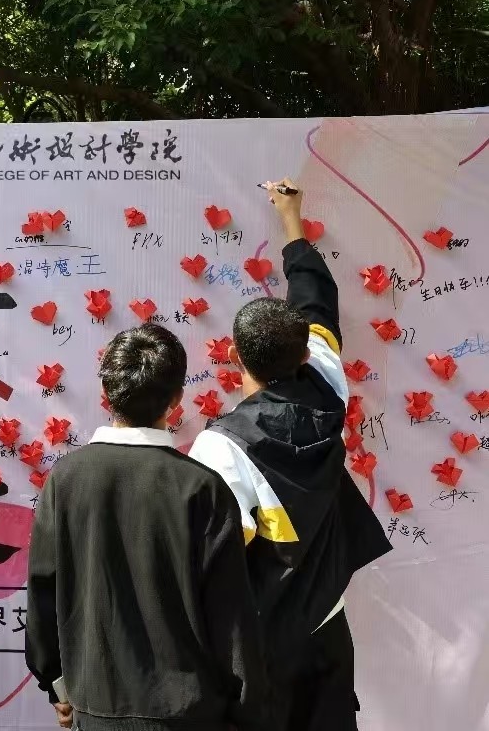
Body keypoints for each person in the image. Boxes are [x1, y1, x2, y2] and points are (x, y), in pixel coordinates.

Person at [188, 179, 392, 731]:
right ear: (305, 352)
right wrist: (292, 221)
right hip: (328, 623)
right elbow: (315, 298)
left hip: (264, 637)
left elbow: (216, 561)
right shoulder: (328, 388)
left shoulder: (222, 446)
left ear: (233, 357)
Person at [26, 323, 271, 731]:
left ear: (106, 393)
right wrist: (245, 712)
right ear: (176, 399)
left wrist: (58, 685)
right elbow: (230, 618)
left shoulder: (66, 479)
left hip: (96, 706)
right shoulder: (201, 488)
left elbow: (43, 592)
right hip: (190, 715)